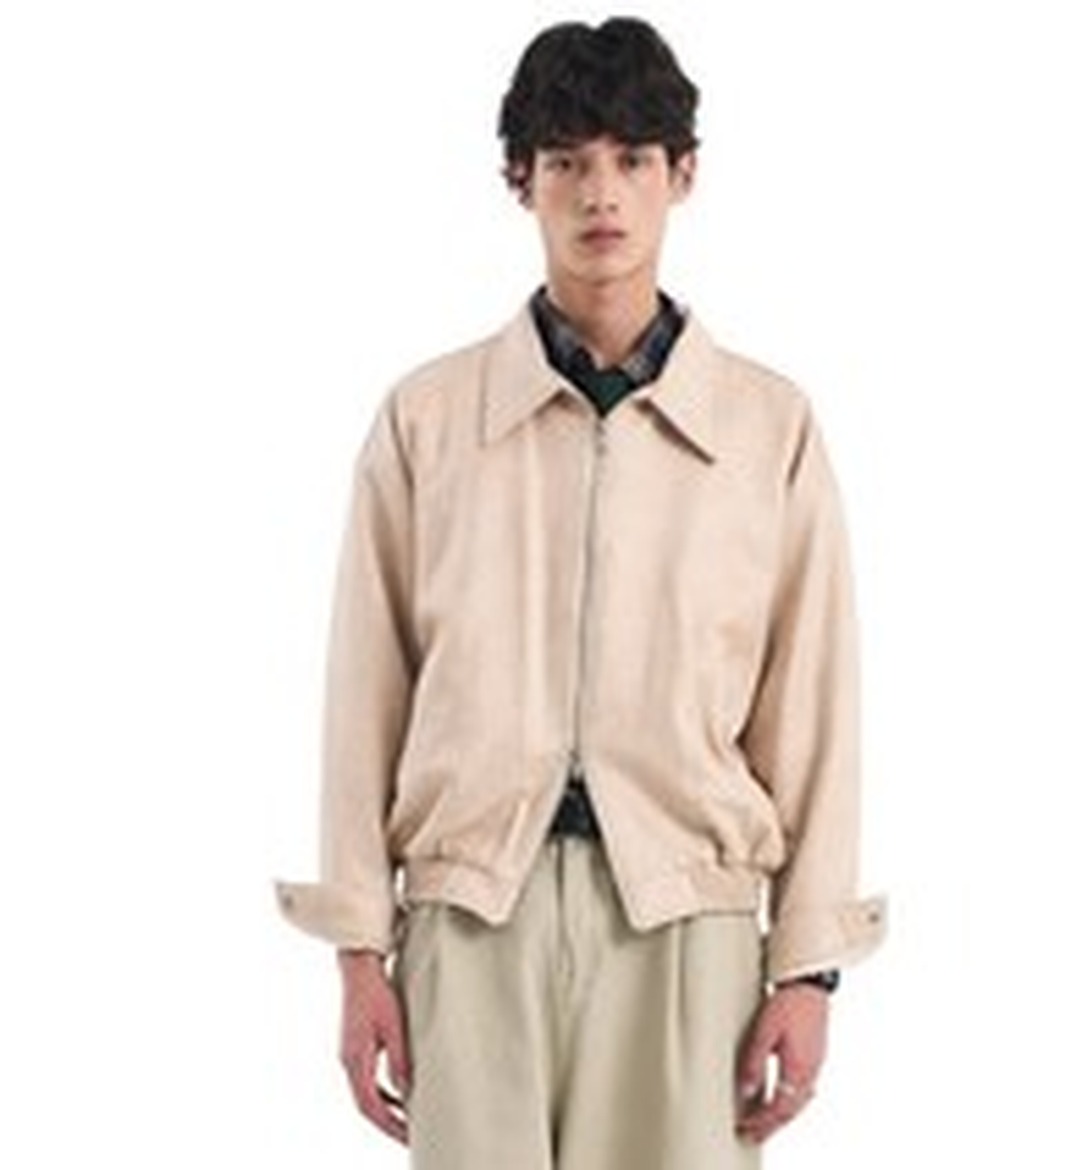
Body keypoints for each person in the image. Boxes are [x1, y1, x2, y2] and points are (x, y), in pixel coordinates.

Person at [276, 16, 886, 1169]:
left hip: (689, 923)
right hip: (471, 915)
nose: (601, 193)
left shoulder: (767, 430)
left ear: (682, 174)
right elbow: (366, 693)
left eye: (632, 158)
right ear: (521, 181)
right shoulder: (428, 423)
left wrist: (807, 968)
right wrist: (358, 948)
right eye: (566, 160)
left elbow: (813, 708)